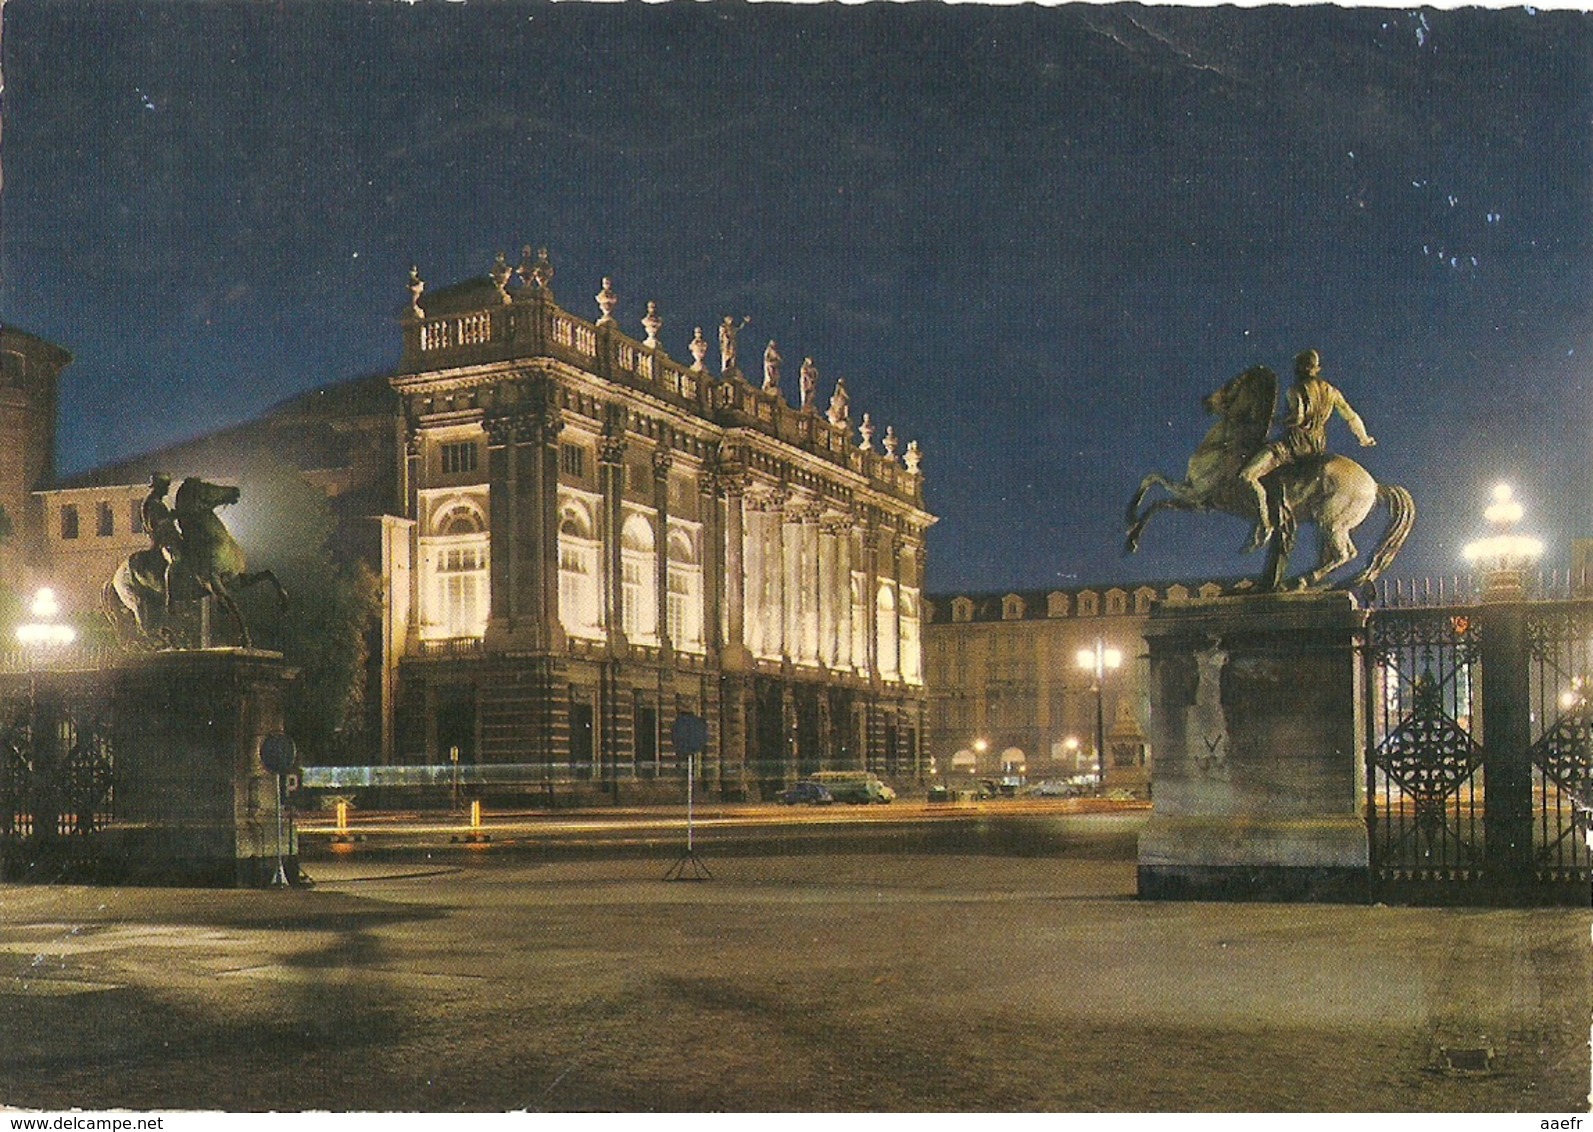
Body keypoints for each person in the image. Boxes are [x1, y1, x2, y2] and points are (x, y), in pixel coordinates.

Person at [1238, 349, 1376, 548]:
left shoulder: (1296, 389)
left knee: (1247, 476)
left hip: (1293, 447)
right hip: (1316, 448)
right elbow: (1350, 415)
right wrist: (1364, 438)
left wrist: (1271, 420)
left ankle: (1265, 523)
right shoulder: (1332, 391)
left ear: (1301, 368)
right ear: (1316, 368)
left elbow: (1297, 418)